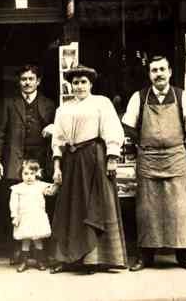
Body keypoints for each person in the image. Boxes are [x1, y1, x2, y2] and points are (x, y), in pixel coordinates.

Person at [122, 55, 186, 271]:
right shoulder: (138, 97)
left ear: (170, 72)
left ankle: (185, 256)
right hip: (148, 159)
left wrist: (183, 146)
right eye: (154, 70)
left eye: (162, 69)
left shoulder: (181, 96)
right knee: (147, 209)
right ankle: (145, 256)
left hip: (175, 157)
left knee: (180, 208)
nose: (158, 74)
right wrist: (141, 144)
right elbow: (129, 126)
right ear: (149, 74)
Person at [50, 65, 127, 274]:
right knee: (71, 207)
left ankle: (94, 259)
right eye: (75, 83)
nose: (79, 86)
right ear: (70, 85)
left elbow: (112, 129)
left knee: (95, 204)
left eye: (83, 82)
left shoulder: (101, 103)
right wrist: (57, 166)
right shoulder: (63, 108)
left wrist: (112, 158)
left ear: (91, 84)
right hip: (72, 161)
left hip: (94, 158)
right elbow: (58, 139)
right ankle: (68, 259)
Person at [0, 64, 56, 264]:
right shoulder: (9, 103)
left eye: (31, 79)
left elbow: (60, 133)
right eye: (23, 79)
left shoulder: (48, 104)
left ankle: (40, 251)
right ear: (19, 82)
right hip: (15, 161)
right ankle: (17, 249)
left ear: (38, 81)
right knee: (17, 206)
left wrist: (54, 127)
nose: (27, 83)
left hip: (40, 162)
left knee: (40, 206)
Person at [9, 160, 58, 273]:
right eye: (26, 174)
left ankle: (39, 261)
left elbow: (51, 192)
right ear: (21, 175)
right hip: (24, 217)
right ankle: (24, 262)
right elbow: (13, 203)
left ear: (37, 173)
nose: (29, 177)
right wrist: (14, 216)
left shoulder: (40, 185)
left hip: (37, 216)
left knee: (37, 239)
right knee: (25, 239)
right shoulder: (18, 188)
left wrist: (56, 184)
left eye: (32, 173)